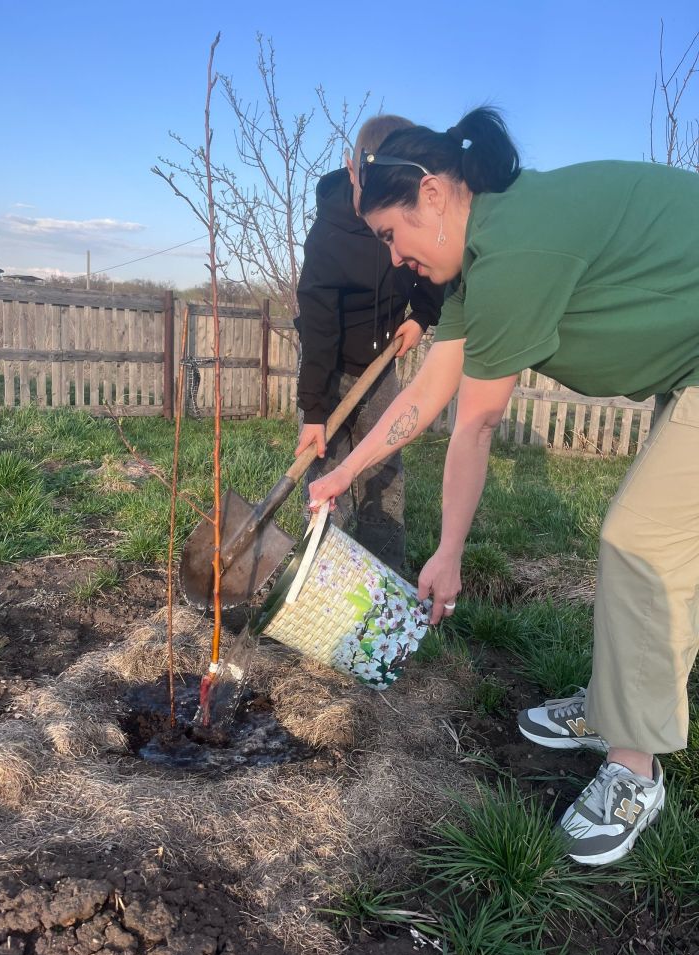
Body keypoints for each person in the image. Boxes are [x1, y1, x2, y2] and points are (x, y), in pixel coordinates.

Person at [307, 107, 699, 866]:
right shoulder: (480, 261)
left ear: (434, 194)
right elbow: (427, 395)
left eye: (391, 233)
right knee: (651, 541)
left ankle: (635, 768)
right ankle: (616, 703)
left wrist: (448, 553)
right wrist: (343, 473)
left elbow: (475, 425)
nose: (392, 258)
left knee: (642, 540)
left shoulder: (517, 249)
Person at [293, 115, 444, 572]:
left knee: (383, 472)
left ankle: (383, 581)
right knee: (324, 476)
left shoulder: (409, 212)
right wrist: (315, 411)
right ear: (351, 168)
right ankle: (324, 580)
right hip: (329, 369)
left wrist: (422, 316)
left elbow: (431, 261)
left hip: (380, 369)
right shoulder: (329, 236)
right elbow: (318, 326)